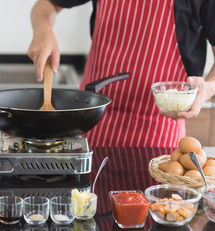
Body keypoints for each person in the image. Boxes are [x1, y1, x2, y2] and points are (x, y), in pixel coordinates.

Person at [27, 0, 215, 147]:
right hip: (92, 126)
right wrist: (43, 29)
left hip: (159, 136)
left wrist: (207, 89)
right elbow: (46, 4)